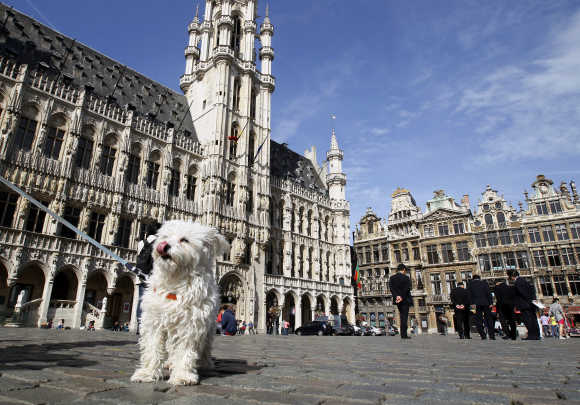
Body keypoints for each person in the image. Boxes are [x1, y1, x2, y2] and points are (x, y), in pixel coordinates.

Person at [508, 270, 540, 340]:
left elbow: (522, 293)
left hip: (524, 304)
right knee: (533, 319)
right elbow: (532, 291)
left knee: (528, 320)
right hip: (530, 304)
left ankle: (532, 335)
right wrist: (532, 300)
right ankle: (537, 334)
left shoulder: (518, 282)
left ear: (512, 276)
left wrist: (527, 301)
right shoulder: (524, 280)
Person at [389, 263, 413, 339]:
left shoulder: (392, 278)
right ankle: (404, 334)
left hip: (397, 300)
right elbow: (407, 289)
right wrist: (402, 297)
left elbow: (391, 288)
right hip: (405, 299)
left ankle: (403, 334)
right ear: (403, 270)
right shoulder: (406, 278)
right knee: (404, 317)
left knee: (401, 315)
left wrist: (397, 296)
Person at [467, 275, 495, 340]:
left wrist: (471, 306)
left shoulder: (470, 284)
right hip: (485, 303)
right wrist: (491, 303)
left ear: (473, 279)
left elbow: (469, 296)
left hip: (475, 304)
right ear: (479, 278)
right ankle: (492, 336)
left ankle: (483, 335)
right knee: (489, 319)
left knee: (478, 320)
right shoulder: (484, 283)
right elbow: (489, 293)